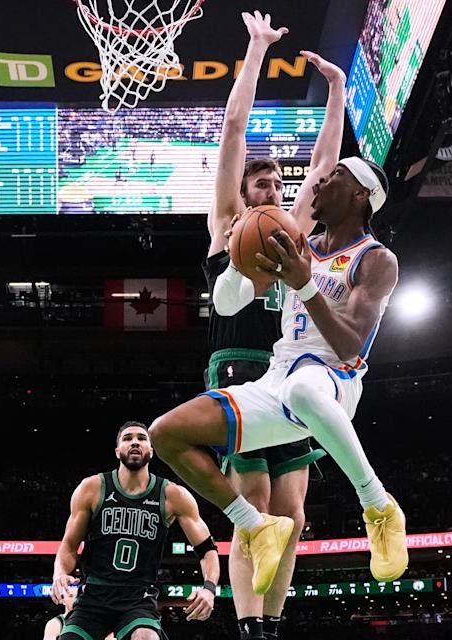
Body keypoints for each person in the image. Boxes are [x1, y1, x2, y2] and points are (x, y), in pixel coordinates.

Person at [151, 156, 408, 599]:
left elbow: (350, 346)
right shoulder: (298, 244)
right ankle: (255, 526)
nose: (319, 183)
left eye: (334, 177)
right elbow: (228, 304)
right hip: (276, 380)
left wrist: (306, 285)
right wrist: (236, 258)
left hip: (335, 380)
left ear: (360, 195)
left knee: (304, 386)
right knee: (166, 433)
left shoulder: (376, 260)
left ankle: (377, 503)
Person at [199, 12, 347, 640]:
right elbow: (234, 127)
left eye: (276, 184)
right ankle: (246, 625)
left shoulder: (296, 231)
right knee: (253, 510)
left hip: (290, 368)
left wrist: (337, 93)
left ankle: (272, 627)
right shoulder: (229, 222)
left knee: (292, 514)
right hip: (237, 362)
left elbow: (325, 165)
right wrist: (257, 49)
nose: (271, 189)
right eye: (261, 182)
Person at [51, 422, 220, 640]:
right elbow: (69, 545)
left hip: (138, 597)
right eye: (127, 438)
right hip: (93, 596)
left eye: (141, 438)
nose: (134, 442)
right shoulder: (92, 488)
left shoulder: (172, 495)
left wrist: (209, 588)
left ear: (151, 450)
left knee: (145, 637)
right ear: (117, 450)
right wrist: (59, 574)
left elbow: (207, 549)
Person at [43, 588, 114, 640]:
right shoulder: (55, 623)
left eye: (77, 596)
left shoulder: (92, 619)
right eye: (70, 596)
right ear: (63, 600)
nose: (74, 600)